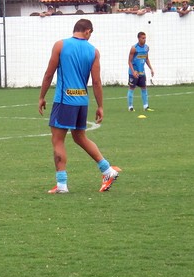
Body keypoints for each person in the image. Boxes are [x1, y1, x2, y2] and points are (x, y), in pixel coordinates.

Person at [38, 19, 121, 194]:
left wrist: (42, 96)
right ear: (87, 31)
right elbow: (97, 82)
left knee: (58, 140)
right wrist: (100, 106)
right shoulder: (93, 51)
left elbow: (48, 74)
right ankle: (108, 171)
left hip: (64, 100)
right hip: (82, 100)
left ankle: (62, 185)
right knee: (79, 137)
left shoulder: (60, 45)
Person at [127, 32, 154, 112]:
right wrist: (133, 71)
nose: (144, 39)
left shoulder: (146, 48)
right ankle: (130, 107)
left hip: (142, 72)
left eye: (145, 38)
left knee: (144, 88)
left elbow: (146, 59)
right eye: (143, 38)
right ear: (138, 38)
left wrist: (151, 68)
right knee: (131, 88)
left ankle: (146, 106)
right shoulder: (134, 48)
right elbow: (129, 61)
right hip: (133, 73)